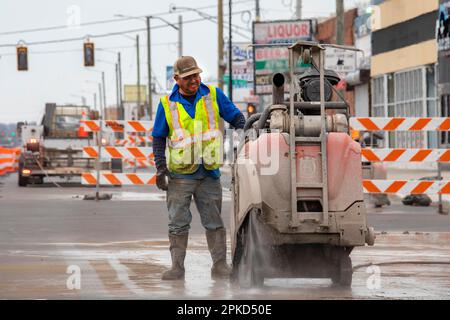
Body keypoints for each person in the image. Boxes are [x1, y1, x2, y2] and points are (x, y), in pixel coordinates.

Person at [152, 56, 246, 280]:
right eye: (188, 77)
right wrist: (160, 168)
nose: (194, 80)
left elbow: (236, 118)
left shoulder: (213, 95)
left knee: (214, 221)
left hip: (209, 174)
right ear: (176, 79)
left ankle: (220, 265)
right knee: (177, 222)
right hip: (180, 175)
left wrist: (248, 133)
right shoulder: (168, 104)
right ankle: (177, 267)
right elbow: (158, 137)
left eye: (196, 75)